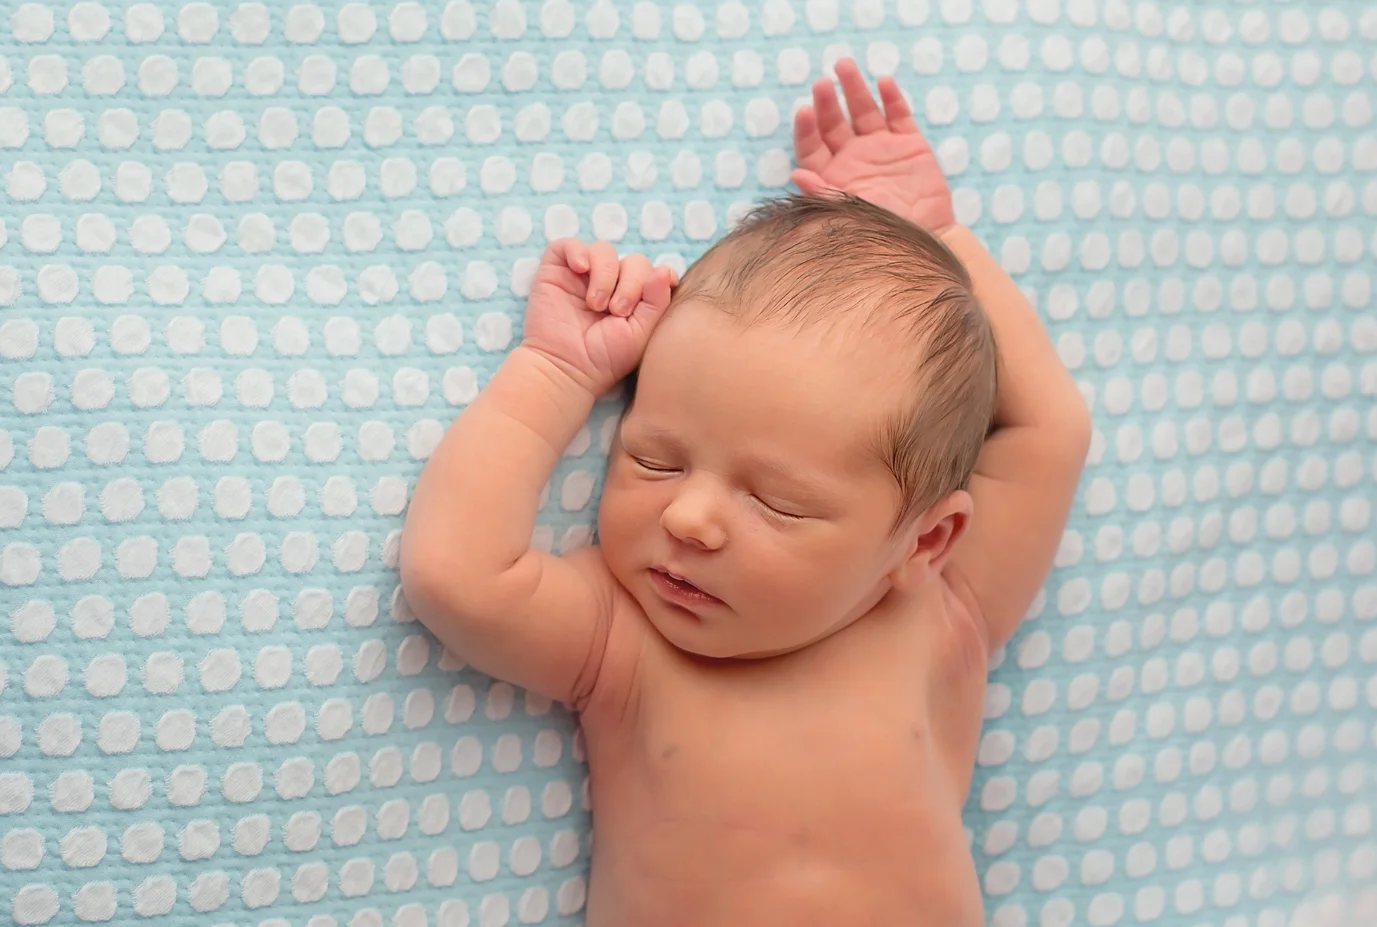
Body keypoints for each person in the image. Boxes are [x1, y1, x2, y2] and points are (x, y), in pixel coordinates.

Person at [400, 58, 1091, 926]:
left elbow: (1050, 431)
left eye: (777, 503)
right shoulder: (627, 643)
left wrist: (934, 236)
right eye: (653, 460)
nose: (687, 518)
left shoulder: (942, 613)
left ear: (921, 542)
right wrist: (552, 372)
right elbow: (453, 575)